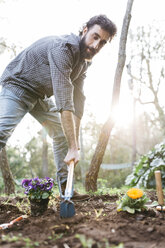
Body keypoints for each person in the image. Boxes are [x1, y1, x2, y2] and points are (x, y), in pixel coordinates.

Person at [0, 15, 117, 200]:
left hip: (39, 95)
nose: (96, 46)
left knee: (62, 133)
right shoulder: (62, 49)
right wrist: (72, 146)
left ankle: (66, 189)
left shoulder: (83, 62)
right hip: (18, 85)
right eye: (95, 37)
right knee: (1, 132)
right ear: (85, 30)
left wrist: (74, 145)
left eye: (102, 43)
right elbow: (64, 99)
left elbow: (77, 102)